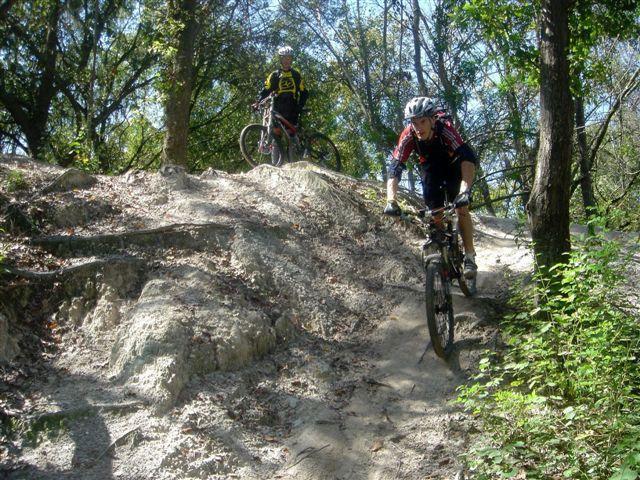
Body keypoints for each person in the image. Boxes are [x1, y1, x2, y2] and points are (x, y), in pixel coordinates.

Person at [383, 96, 478, 279]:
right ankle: (442, 254)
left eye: (423, 121)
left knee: (461, 209)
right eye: (414, 122)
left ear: (433, 119)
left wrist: (464, 190)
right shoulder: (409, 134)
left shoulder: (445, 129)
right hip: (431, 169)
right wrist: (391, 200)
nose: (418, 127)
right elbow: (395, 167)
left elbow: (467, 158)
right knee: (435, 215)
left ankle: (469, 256)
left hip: (453, 166)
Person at [256, 45, 308, 128]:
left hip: (292, 108)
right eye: (284, 58)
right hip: (278, 107)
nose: (286, 61)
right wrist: (258, 102)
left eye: (288, 58)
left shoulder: (296, 75)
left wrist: (300, 106)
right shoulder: (274, 75)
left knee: (291, 134)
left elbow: (304, 92)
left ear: (291, 60)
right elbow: (266, 90)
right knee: (276, 133)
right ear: (281, 60)